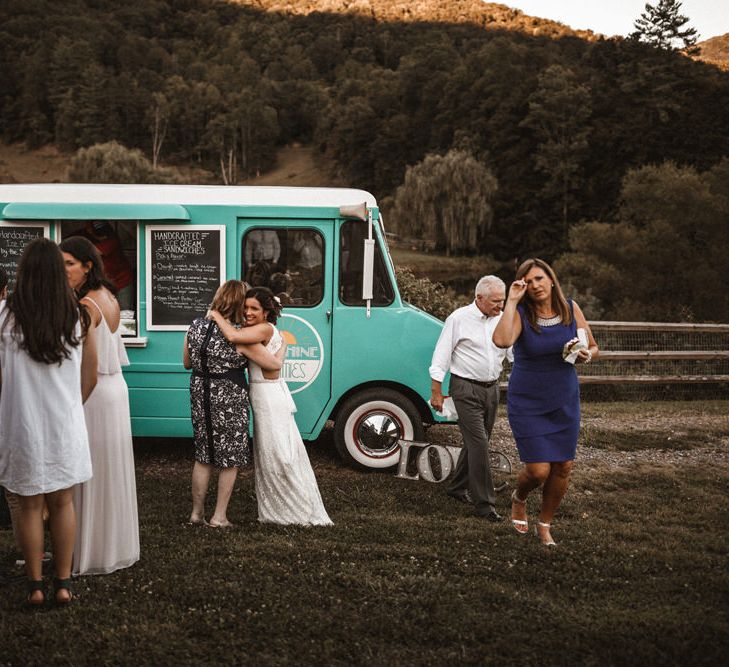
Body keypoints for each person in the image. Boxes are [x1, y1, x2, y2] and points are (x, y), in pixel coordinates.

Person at [0, 238, 97, 605]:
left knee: (28, 506)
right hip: (64, 425)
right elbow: (89, 378)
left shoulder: (5, 316)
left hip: (20, 424)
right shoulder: (76, 316)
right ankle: (63, 583)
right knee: (62, 504)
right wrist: (72, 406)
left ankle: (35, 585)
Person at [493, 258, 599, 546]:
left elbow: (592, 345)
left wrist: (586, 353)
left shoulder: (570, 307)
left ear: (551, 280)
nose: (535, 285)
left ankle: (545, 523)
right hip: (528, 399)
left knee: (563, 465)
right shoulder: (521, 313)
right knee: (538, 470)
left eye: (540, 278)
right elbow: (502, 341)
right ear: (522, 287)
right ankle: (519, 496)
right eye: (528, 282)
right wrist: (511, 302)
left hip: (564, 396)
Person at [210, 287, 332, 526]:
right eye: (245, 307)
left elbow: (233, 339)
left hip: (268, 397)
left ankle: (290, 508)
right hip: (265, 394)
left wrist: (215, 315)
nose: (247, 312)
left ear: (266, 312)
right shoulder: (259, 330)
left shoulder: (263, 329)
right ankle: (280, 504)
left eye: (254, 308)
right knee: (273, 451)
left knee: (278, 452)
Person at [60, 236, 140, 575]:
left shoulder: (86, 308)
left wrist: (71, 406)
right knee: (109, 473)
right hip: (115, 390)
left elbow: (83, 365)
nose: (63, 271)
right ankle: (112, 546)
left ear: (87, 265)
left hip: (94, 392)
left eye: (68, 264)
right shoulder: (108, 296)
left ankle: (87, 553)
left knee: (87, 473)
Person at [183, 280, 285, 528]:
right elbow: (271, 364)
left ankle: (196, 514)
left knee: (203, 455)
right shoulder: (239, 335)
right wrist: (282, 347)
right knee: (229, 458)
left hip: (199, 390)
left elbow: (186, 362)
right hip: (228, 396)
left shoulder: (195, 326)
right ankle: (219, 517)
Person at [429, 276, 512, 523]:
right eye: (496, 301)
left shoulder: (502, 319)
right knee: (479, 444)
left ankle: (456, 487)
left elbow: (512, 352)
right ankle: (485, 504)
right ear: (479, 298)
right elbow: (441, 355)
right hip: (464, 389)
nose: (500, 306)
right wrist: (436, 391)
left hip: (491, 389)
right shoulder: (458, 318)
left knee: (477, 442)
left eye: (503, 301)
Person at [79, 221, 134, 310]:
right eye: (98, 234)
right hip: (102, 282)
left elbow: (93, 252)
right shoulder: (85, 234)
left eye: (104, 233)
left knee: (125, 312)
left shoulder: (112, 240)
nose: (103, 237)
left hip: (123, 280)